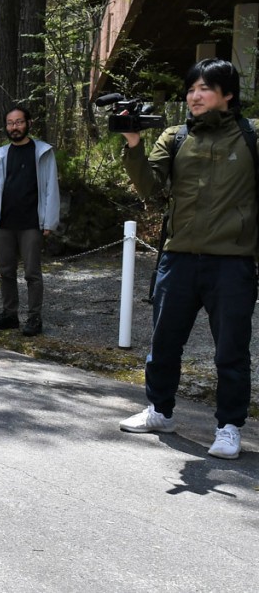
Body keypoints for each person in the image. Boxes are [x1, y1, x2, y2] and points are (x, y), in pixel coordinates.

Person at [117, 58, 257, 460]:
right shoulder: (175, 136)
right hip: (177, 257)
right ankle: (160, 410)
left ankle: (229, 427)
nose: (194, 96)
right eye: (191, 88)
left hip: (233, 261)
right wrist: (133, 144)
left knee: (230, 349)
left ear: (227, 94)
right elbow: (151, 188)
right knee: (164, 342)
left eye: (204, 88)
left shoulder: (250, 136)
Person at [0, 105, 60, 337]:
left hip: (31, 223)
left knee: (32, 273)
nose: (14, 127)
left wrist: (49, 222)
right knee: (6, 271)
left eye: (19, 122)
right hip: (3, 222)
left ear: (29, 123)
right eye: (10, 123)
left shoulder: (43, 152)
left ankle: (35, 317)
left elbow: (50, 189)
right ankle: (9, 314)